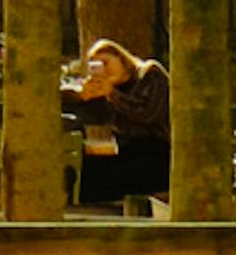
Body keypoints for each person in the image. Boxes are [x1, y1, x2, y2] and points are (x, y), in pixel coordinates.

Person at [69, 36, 172, 213]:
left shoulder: (149, 73)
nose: (104, 70)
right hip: (127, 151)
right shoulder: (107, 92)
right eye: (96, 66)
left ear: (120, 57)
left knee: (112, 177)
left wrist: (112, 94)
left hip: (159, 152)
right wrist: (81, 95)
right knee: (85, 171)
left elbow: (147, 114)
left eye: (106, 62)